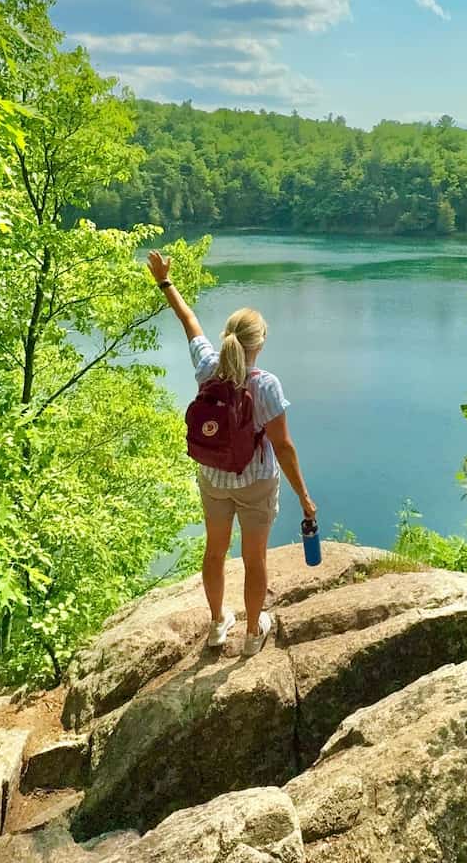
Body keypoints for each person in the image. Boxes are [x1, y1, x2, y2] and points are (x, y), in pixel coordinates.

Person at [147, 249, 316, 657]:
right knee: (254, 559)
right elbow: (283, 446)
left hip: (213, 478)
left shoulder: (208, 367)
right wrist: (305, 498)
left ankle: (217, 624)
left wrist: (165, 281)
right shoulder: (266, 384)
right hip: (256, 483)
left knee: (214, 551)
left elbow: (189, 321)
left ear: (227, 336)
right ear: (260, 343)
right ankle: (253, 634)